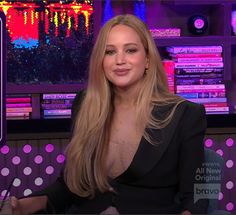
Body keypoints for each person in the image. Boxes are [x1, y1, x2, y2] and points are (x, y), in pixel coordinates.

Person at [10, 14, 208, 214]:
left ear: (148, 59)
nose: (120, 60)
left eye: (130, 50)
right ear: (101, 61)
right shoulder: (85, 104)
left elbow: (199, 196)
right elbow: (69, 186)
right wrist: (22, 206)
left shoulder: (186, 114)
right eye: (110, 52)